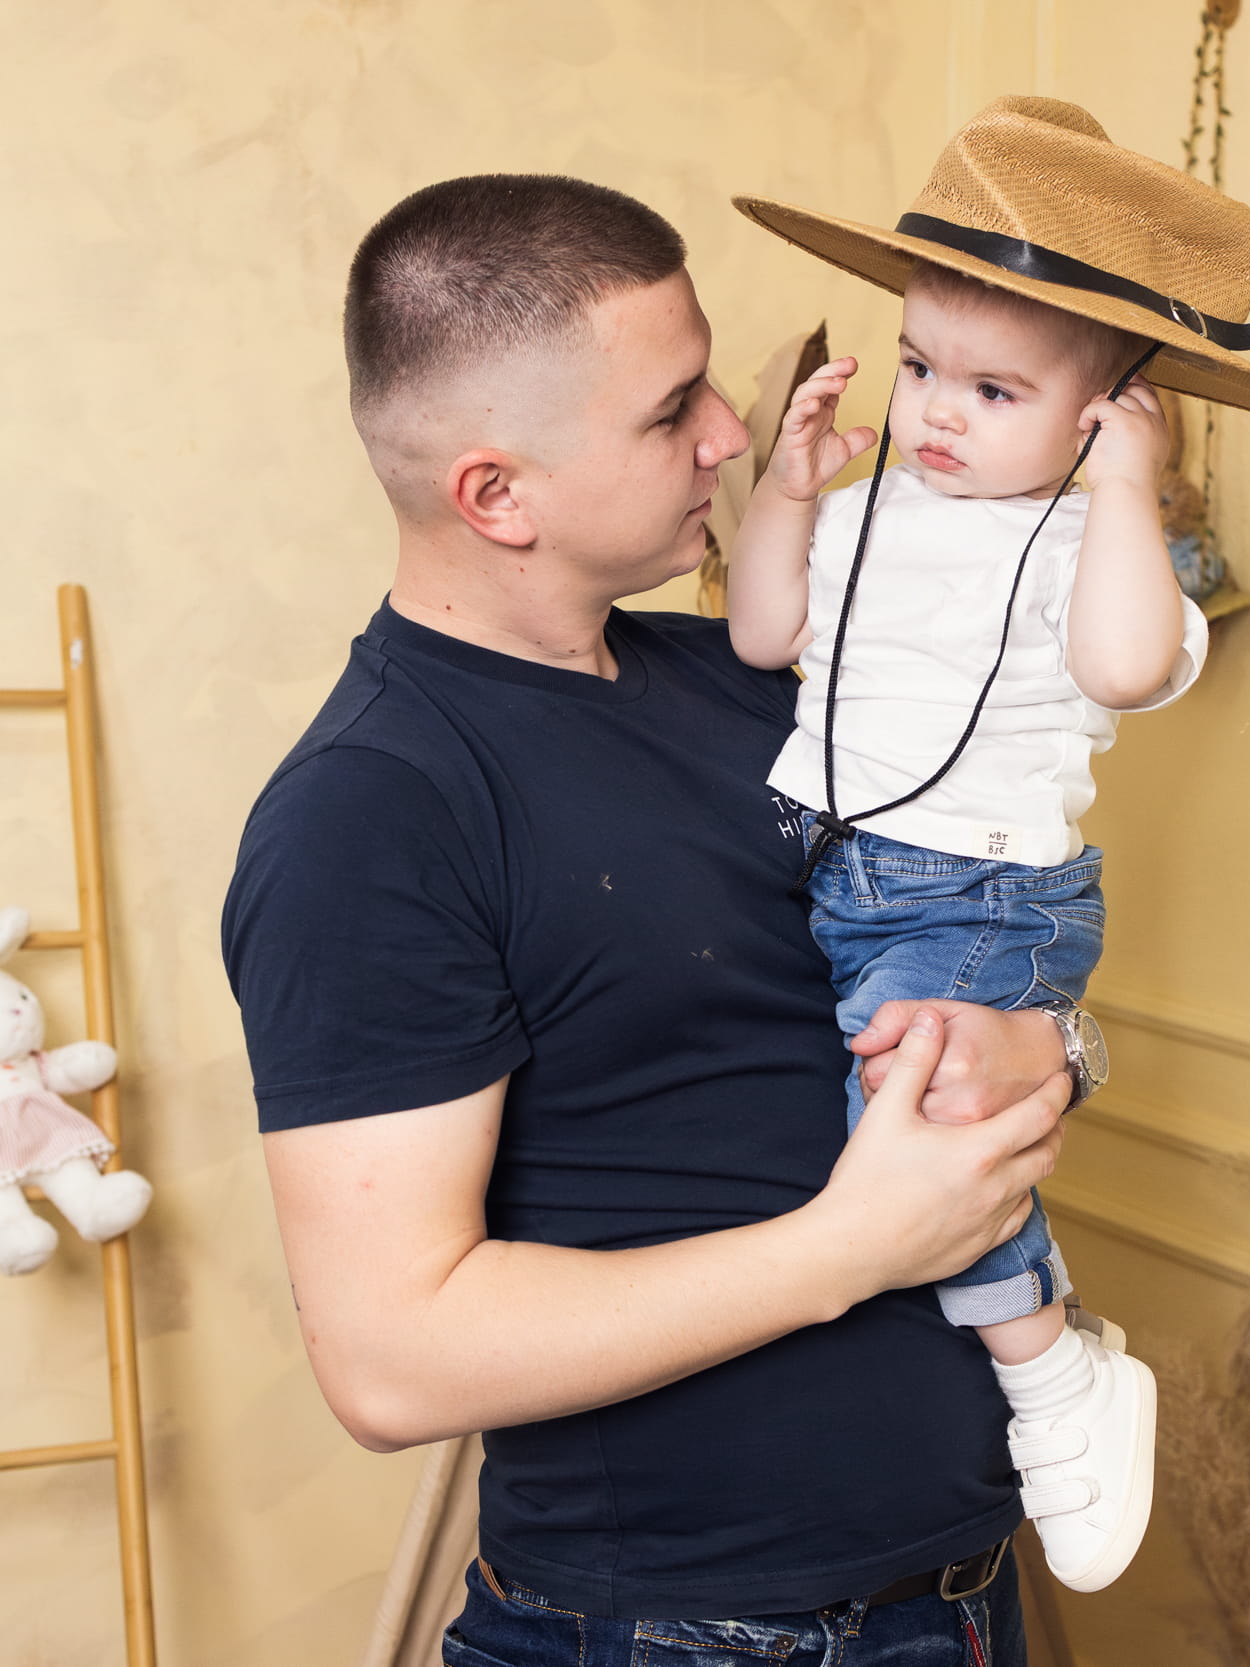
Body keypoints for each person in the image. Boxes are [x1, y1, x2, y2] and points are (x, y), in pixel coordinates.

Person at [222, 170, 1093, 1666]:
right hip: (675, 1637)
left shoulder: (751, 686)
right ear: (496, 494)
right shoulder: (371, 813)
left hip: (953, 1599)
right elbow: (390, 1360)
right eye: (671, 408)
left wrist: (1056, 1046)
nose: (729, 435)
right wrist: (850, 1247)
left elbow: (969, 948)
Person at [724, 94, 1250, 1593]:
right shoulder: (869, 510)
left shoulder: (1097, 547)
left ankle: (1053, 1369)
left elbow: (1127, 666)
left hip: (979, 893)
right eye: (919, 367)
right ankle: (996, 1358)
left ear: (1103, 412)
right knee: (864, 1123)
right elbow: (765, 632)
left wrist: (1127, 491)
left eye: (995, 390)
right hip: (825, 867)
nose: (939, 413)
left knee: (927, 1123)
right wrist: (788, 492)